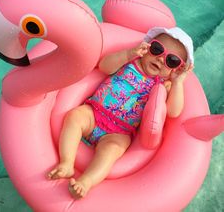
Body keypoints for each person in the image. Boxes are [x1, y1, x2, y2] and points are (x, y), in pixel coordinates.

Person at [47, 27, 194, 199]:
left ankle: (86, 182)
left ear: (176, 69)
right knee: (74, 116)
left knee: (110, 152)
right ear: (147, 47)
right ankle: (67, 163)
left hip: (119, 132)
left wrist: (178, 82)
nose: (161, 59)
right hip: (94, 113)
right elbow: (104, 66)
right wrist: (128, 54)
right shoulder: (130, 61)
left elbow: (173, 111)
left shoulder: (164, 84)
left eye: (172, 60)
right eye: (157, 49)